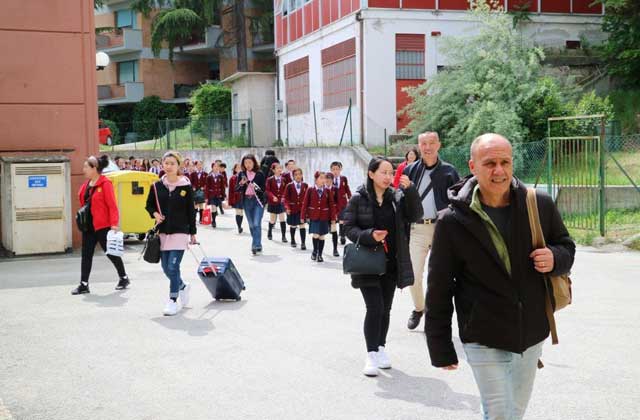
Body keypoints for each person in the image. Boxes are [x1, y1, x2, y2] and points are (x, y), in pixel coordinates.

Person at [425, 134, 576, 420]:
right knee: (500, 415)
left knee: (513, 413)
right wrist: (440, 345)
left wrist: (555, 258)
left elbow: (566, 246)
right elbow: (439, 287)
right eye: (490, 163)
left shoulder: (538, 204)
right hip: (483, 334)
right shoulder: (452, 221)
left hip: (530, 333)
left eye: (505, 162)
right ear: (472, 166)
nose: (499, 171)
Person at [343, 157, 422, 377]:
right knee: (375, 307)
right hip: (368, 263)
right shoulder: (359, 198)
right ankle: (370, 354)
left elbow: (416, 215)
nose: (388, 177)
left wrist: (411, 191)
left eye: (391, 172)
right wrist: (369, 235)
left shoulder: (396, 197)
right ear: (371, 174)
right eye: (383, 172)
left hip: (391, 263)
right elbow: (348, 228)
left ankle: (381, 348)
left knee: (385, 309)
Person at [403, 132, 460, 331]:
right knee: (414, 275)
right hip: (417, 228)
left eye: (431, 143)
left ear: (439, 145)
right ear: (418, 146)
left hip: (440, 229)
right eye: (423, 143)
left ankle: (434, 316)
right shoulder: (410, 170)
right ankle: (419, 308)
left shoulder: (449, 171)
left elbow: (458, 200)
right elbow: (400, 198)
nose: (427, 147)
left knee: (437, 277)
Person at [145, 151, 197, 316]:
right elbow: (149, 205)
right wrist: (155, 214)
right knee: (166, 269)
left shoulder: (185, 186)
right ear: (162, 164)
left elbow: (191, 211)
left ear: (178, 166)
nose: (168, 166)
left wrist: (193, 233)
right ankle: (182, 286)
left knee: (173, 266)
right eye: (166, 163)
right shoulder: (156, 186)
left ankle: (173, 300)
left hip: (180, 231)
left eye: (172, 163)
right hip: (163, 232)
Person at [72, 155, 129, 295]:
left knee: (110, 253)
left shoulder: (105, 184)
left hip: (103, 226)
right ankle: (83, 284)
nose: (83, 169)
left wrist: (114, 224)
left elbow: (112, 206)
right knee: (86, 255)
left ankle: (124, 277)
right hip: (89, 227)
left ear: (95, 169)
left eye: (86, 167)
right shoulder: (86, 185)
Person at [301, 171, 336, 263]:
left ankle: (320, 254)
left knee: (322, 236)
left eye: (324, 178)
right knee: (316, 234)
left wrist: (333, 218)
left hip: (324, 217)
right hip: (314, 216)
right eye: (321, 178)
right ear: (316, 179)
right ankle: (314, 251)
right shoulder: (310, 189)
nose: (323, 180)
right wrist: (303, 216)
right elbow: (305, 203)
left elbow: (332, 205)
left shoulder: (328, 191)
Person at [236, 154, 267, 255]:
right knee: (251, 225)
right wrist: (241, 183)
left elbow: (263, 189)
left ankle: (255, 245)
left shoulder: (259, 174)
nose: (248, 165)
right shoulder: (241, 174)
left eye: (250, 162)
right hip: (246, 201)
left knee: (256, 223)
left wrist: (254, 185)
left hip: (257, 201)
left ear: (254, 162)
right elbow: (237, 189)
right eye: (245, 163)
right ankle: (258, 243)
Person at [284, 168, 308, 249]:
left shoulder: (305, 185)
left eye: (299, 174)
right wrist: (287, 207)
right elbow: (286, 198)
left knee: (302, 225)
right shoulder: (289, 186)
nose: (298, 176)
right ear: (293, 176)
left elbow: (308, 198)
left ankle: (303, 243)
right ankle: (293, 240)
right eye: (296, 175)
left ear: (302, 175)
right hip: (292, 209)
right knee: (293, 225)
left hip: (301, 210)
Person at [330, 161, 352, 246]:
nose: (335, 171)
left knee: (342, 220)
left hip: (342, 202)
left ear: (340, 169)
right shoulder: (329, 179)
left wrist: (350, 196)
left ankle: (342, 235)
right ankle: (334, 235)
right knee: (334, 220)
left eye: (337, 169)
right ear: (331, 170)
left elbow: (347, 188)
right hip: (333, 203)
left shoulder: (344, 178)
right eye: (333, 169)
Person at [265, 162, 288, 243]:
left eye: (280, 168)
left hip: (281, 202)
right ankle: (269, 231)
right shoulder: (269, 179)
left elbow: (286, 190)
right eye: (277, 168)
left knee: (282, 219)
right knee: (273, 219)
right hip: (272, 202)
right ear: (273, 170)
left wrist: (283, 198)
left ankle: (283, 236)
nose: (279, 169)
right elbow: (267, 190)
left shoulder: (284, 179)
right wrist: (272, 197)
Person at [204, 162, 226, 228]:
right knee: (213, 208)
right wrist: (206, 197)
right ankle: (213, 221)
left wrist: (223, 195)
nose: (216, 168)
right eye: (215, 166)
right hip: (212, 195)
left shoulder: (221, 176)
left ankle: (214, 217)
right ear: (212, 167)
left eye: (217, 166)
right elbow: (207, 187)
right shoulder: (209, 177)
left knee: (216, 208)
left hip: (218, 195)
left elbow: (223, 187)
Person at [324, 172, 340, 257]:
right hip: (323, 213)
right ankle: (319, 250)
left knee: (334, 231)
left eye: (330, 179)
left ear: (332, 180)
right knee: (321, 231)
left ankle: (335, 249)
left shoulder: (335, 189)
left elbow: (338, 203)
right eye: (326, 179)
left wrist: (336, 213)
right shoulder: (322, 188)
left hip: (333, 213)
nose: (328, 181)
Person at [228, 163, 245, 234]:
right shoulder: (232, 178)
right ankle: (239, 227)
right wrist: (230, 200)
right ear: (235, 169)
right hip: (236, 197)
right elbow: (230, 190)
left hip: (244, 197)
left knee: (241, 213)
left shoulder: (245, 177)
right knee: (238, 212)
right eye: (237, 168)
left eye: (240, 168)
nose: (239, 169)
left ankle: (240, 225)